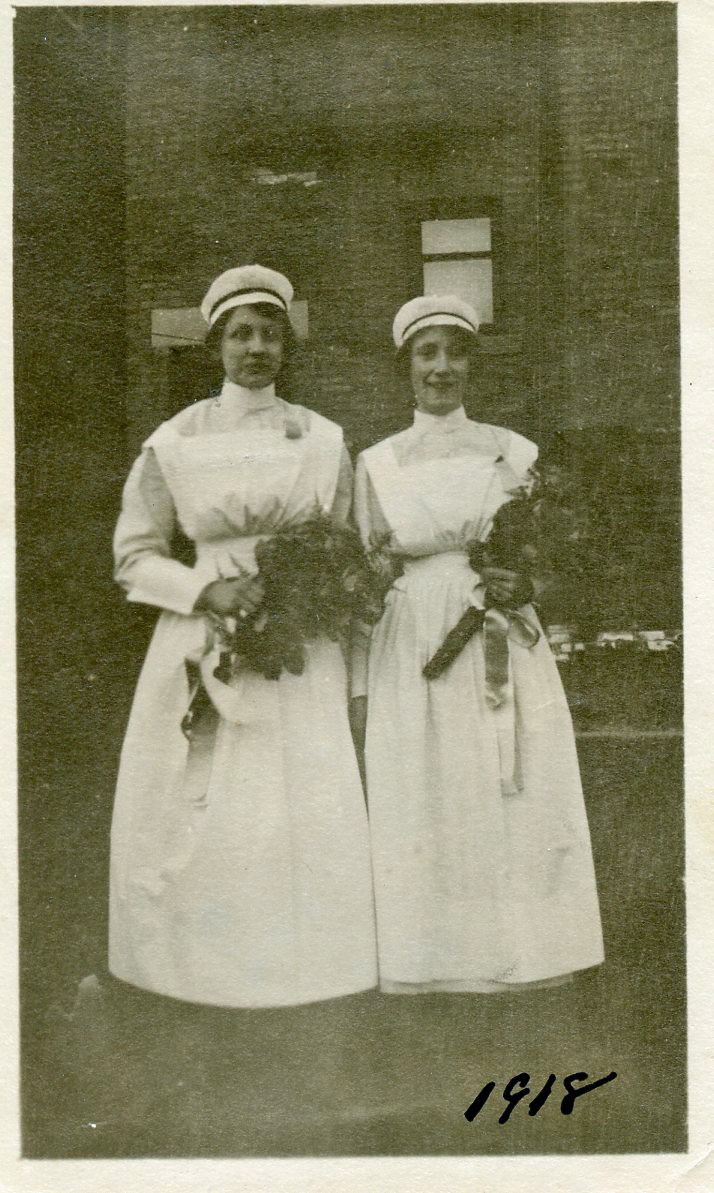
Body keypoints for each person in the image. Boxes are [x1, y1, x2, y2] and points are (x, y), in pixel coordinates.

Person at [109, 265, 377, 1008]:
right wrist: (207, 589)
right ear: (218, 344)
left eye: (269, 333)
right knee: (207, 795)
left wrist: (306, 596)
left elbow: (346, 549)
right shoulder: (176, 438)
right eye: (241, 334)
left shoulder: (323, 439)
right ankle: (196, 972)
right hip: (204, 639)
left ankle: (308, 971)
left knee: (295, 796)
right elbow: (133, 556)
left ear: (286, 345)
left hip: (298, 646)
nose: (256, 348)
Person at [351, 294, 604, 994]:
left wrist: (523, 578)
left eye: (454, 351)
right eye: (426, 353)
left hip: (498, 632)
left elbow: (549, 553)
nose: (441, 367)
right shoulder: (374, 463)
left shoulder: (512, 450)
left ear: (472, 363)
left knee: (509, 780)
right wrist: (360, 684)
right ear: (405, 367)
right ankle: (429, 959)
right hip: (412, 642)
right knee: (426, 786)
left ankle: (524, 953)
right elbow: (366, 575)